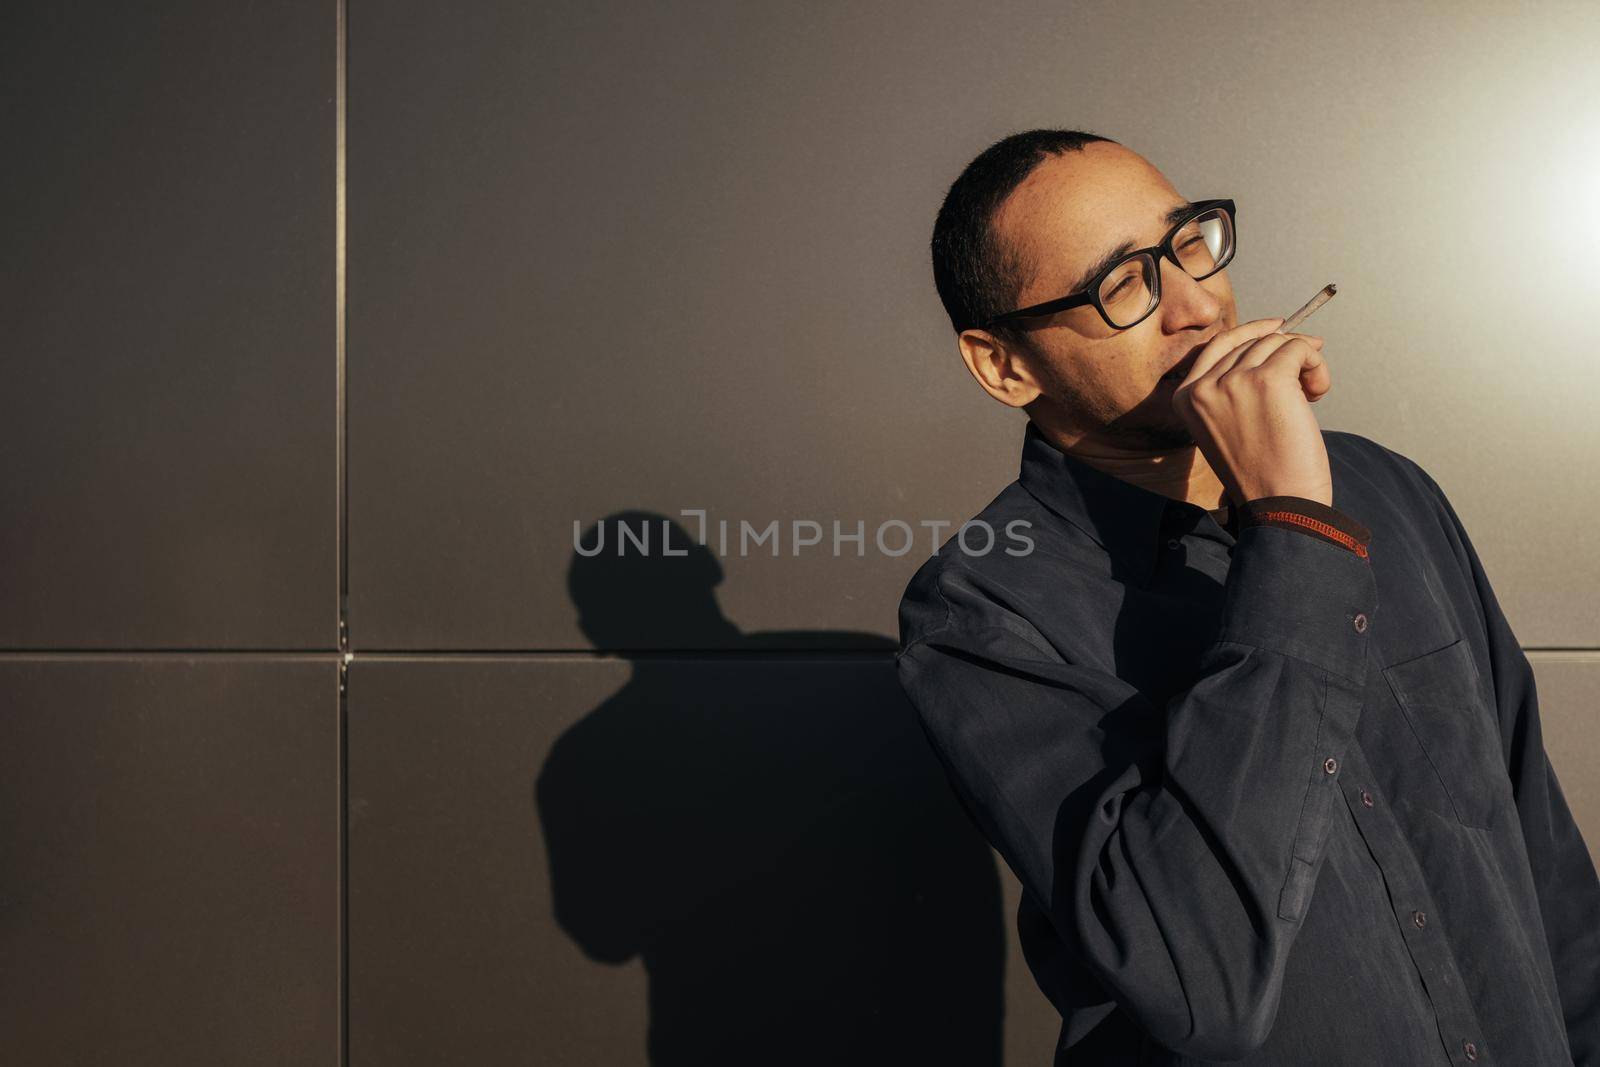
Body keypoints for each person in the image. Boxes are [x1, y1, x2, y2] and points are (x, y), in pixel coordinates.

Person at [895, 129, 1600, 1064]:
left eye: (1189, 241)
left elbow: (1544, 869)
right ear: (1005, 365)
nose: (1196, 302)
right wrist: (1293, 532)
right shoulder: (983, 611)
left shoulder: (1387, 490)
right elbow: (1202, 980)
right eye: (1123, 284)